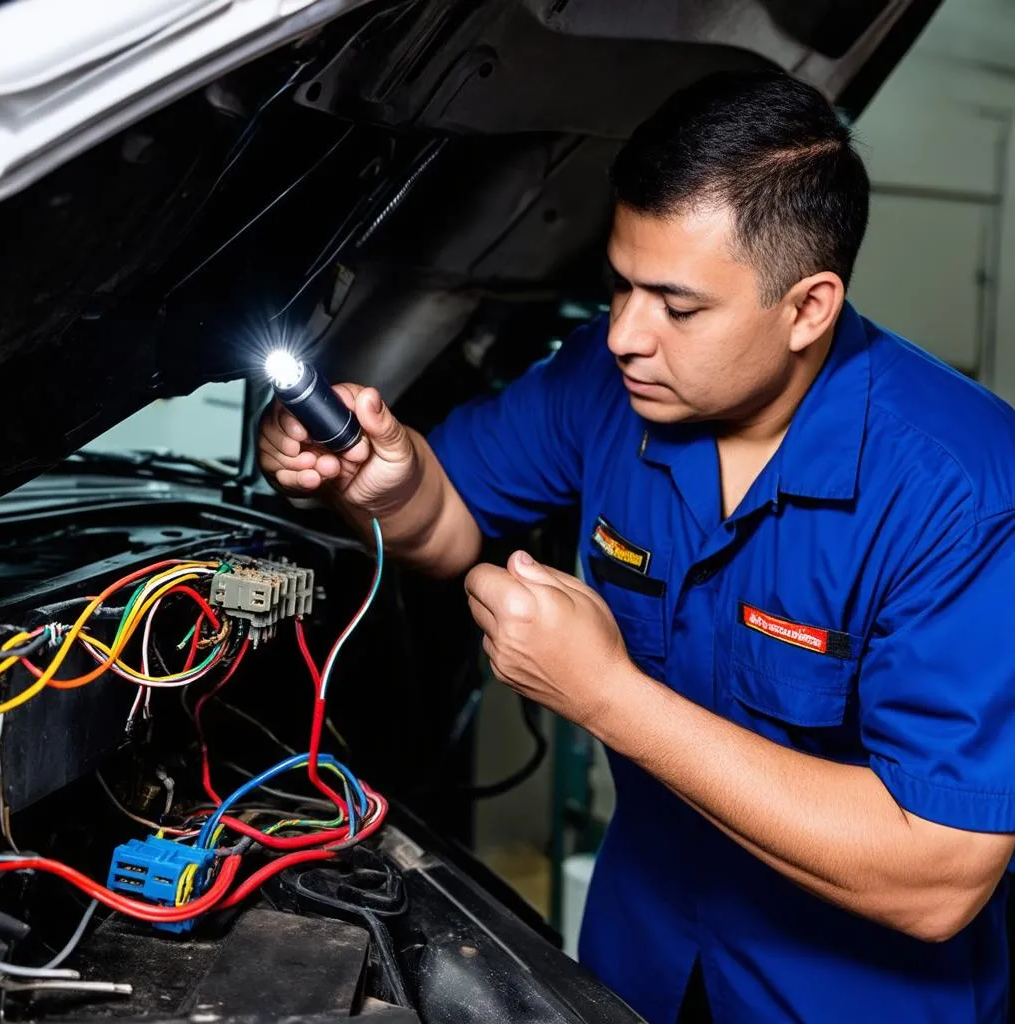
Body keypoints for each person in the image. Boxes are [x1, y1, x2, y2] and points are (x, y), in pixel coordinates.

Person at [258, 70, 1015, 1023]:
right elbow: (446, 531)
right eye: (618, 285)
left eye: (677, 305)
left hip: (849, 997)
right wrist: (388, 482)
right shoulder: (605, 387)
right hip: (641, 964)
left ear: (808, 308)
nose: (624, 335)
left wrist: (606, 694)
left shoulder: (964, 490)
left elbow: (937, 875)